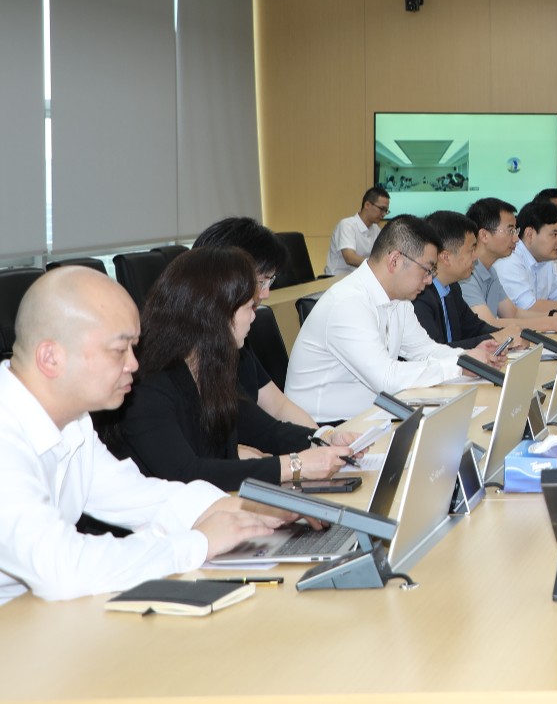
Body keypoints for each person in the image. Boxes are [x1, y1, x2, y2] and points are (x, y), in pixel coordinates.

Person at [0, 267, 288, 605]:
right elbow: (63, 569)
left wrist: (249, 510)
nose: (134, 365)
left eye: (134, 348)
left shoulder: (74, 423)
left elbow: (139, 496)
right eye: (119, 350)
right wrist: (198, 543)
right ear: (51, 357)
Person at [116, 248, 353, 490]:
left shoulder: (210, 368)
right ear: (217, 313)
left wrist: (325, 439)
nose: (254, 317)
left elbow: (265, 431)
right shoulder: (146, 384)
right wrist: (294, 466)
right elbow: (186, 473)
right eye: (249, 307)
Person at [286, 215, 501, 422]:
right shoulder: (348, 303)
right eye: (427, 270)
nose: (429, 280)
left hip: (369, 415)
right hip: (324, 427)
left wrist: (468, 358)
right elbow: (386, 378)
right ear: (395, 260)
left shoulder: (399, 299)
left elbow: (424, 351)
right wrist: (457, 367)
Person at [191, 216, 317, 429]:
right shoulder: (187, 355)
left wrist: (322, 437)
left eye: (270, 281)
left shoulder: (237, 338)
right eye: (261, 281)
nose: (266, 293)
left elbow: (278, 406)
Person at [414, 210, 525, 349]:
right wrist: (499, 338)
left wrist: (509, 336)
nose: (475, 257)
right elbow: (436, 351)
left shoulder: (452, 288)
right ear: (446, 257)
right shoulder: (419, 296)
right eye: (471, 250)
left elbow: (475, 328)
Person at [495, 199, 557, 322]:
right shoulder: (509, 258)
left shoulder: (544, 259)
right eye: (554, 234)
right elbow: (529, 307)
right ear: (530, 234)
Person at [325, 186, 389, 276]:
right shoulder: (347, 225)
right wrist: (376, 265)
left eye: (386, 210)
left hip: (359, 278)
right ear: (367, 205)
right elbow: (350, 258)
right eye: (381, 209)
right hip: (337, 278)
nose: (383, 214)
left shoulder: (376, 229)